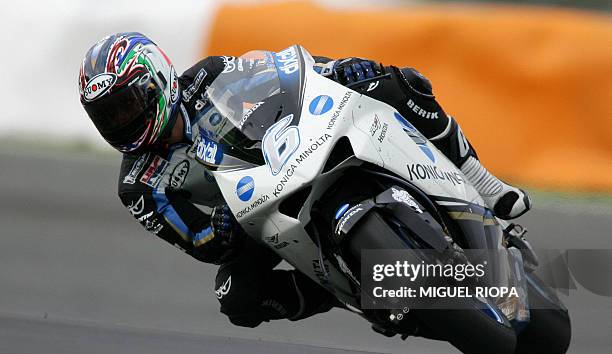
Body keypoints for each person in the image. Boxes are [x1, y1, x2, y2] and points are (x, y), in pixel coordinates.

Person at [79, 32, 531, 328]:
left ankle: (484, 183)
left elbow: (291, 76)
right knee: (235, 297)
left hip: (291, 153)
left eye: (127, 104)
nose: (123, 121)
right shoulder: (139, 184)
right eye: (109, 116)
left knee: (399, 82)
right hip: (248, 215)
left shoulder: (209, 76)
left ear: (157, 78)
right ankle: (338, 291)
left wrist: (338, 70)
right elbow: (195, 240)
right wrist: (213, 233)